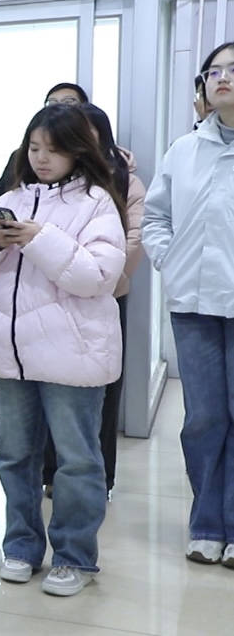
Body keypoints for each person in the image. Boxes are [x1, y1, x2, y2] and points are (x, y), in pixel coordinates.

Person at [0, 103, 126, 597]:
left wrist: (39, 238)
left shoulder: (97, 203)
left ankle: (75, 557)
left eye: (53, 150)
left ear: (78, 151)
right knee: (14, 456)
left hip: (72, 354)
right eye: (34, 148)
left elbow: (98, 277)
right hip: (10, 353)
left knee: (76, 461)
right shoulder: (12, 197)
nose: (41, 158)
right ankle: (21, 547)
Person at [142, 41, 234, 566]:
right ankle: (207, 524)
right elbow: (155, 217)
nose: (222, 78)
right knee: (203, 418)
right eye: (213, 71)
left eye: (233, 69)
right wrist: (168, 259)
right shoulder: (184, 149)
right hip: (194, 303)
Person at [39, 103, 145, 500]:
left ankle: (101, 477)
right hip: (53, 295)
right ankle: (52, 472)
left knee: (102, 391)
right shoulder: (51, 182)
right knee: (53, 386)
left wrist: (105, 276)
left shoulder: (125, 181)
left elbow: (135, 236)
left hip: (108, 293)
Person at [0, 82, 90, 197]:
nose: (41, 158)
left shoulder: (95, 198)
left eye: (68, 102)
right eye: (34, 149)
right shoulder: (20, 162)